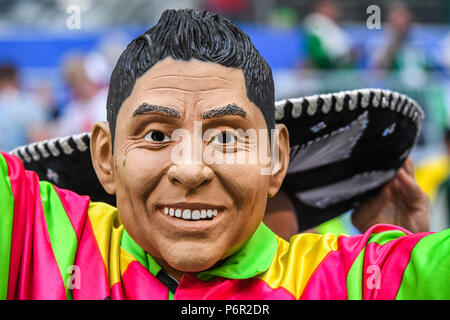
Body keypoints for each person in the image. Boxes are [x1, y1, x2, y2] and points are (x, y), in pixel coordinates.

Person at [1, 9, 449, 300]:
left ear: (275, 159)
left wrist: (401, 257)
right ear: (105, 156)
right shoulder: (31, 233)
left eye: (227, 138)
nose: (192, 169)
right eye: (156, 135)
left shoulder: (349, 279)